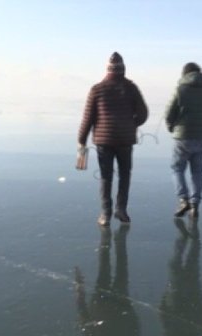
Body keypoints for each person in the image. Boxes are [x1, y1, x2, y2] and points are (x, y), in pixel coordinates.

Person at [78, 52, 149, 227]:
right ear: (123, 69)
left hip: (104, 141)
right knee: (125, 175)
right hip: (125, 140)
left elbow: (88, 117)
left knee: (105, 177)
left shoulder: (97, 89)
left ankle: (105, 214)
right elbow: (143, 113)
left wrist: (81, 140)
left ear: (107, 70)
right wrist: (131, 125)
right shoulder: (131, 88)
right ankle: (121, 210)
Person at [74, 227, 139, 336]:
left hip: (104, 303)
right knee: (116, 269)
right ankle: (115, 242)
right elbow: (134, 329)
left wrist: (80, 291)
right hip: (116, 304)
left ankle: (111, 242)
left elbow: (83, 316)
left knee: (109, 269)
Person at [164, 62, 202, 219]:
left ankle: (183, 199)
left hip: (182, 137)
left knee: (177, 169)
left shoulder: (180, 90)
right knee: (197, 171)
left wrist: (171, 127)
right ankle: (195, 204)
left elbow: (169, 114)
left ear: (184, 74)